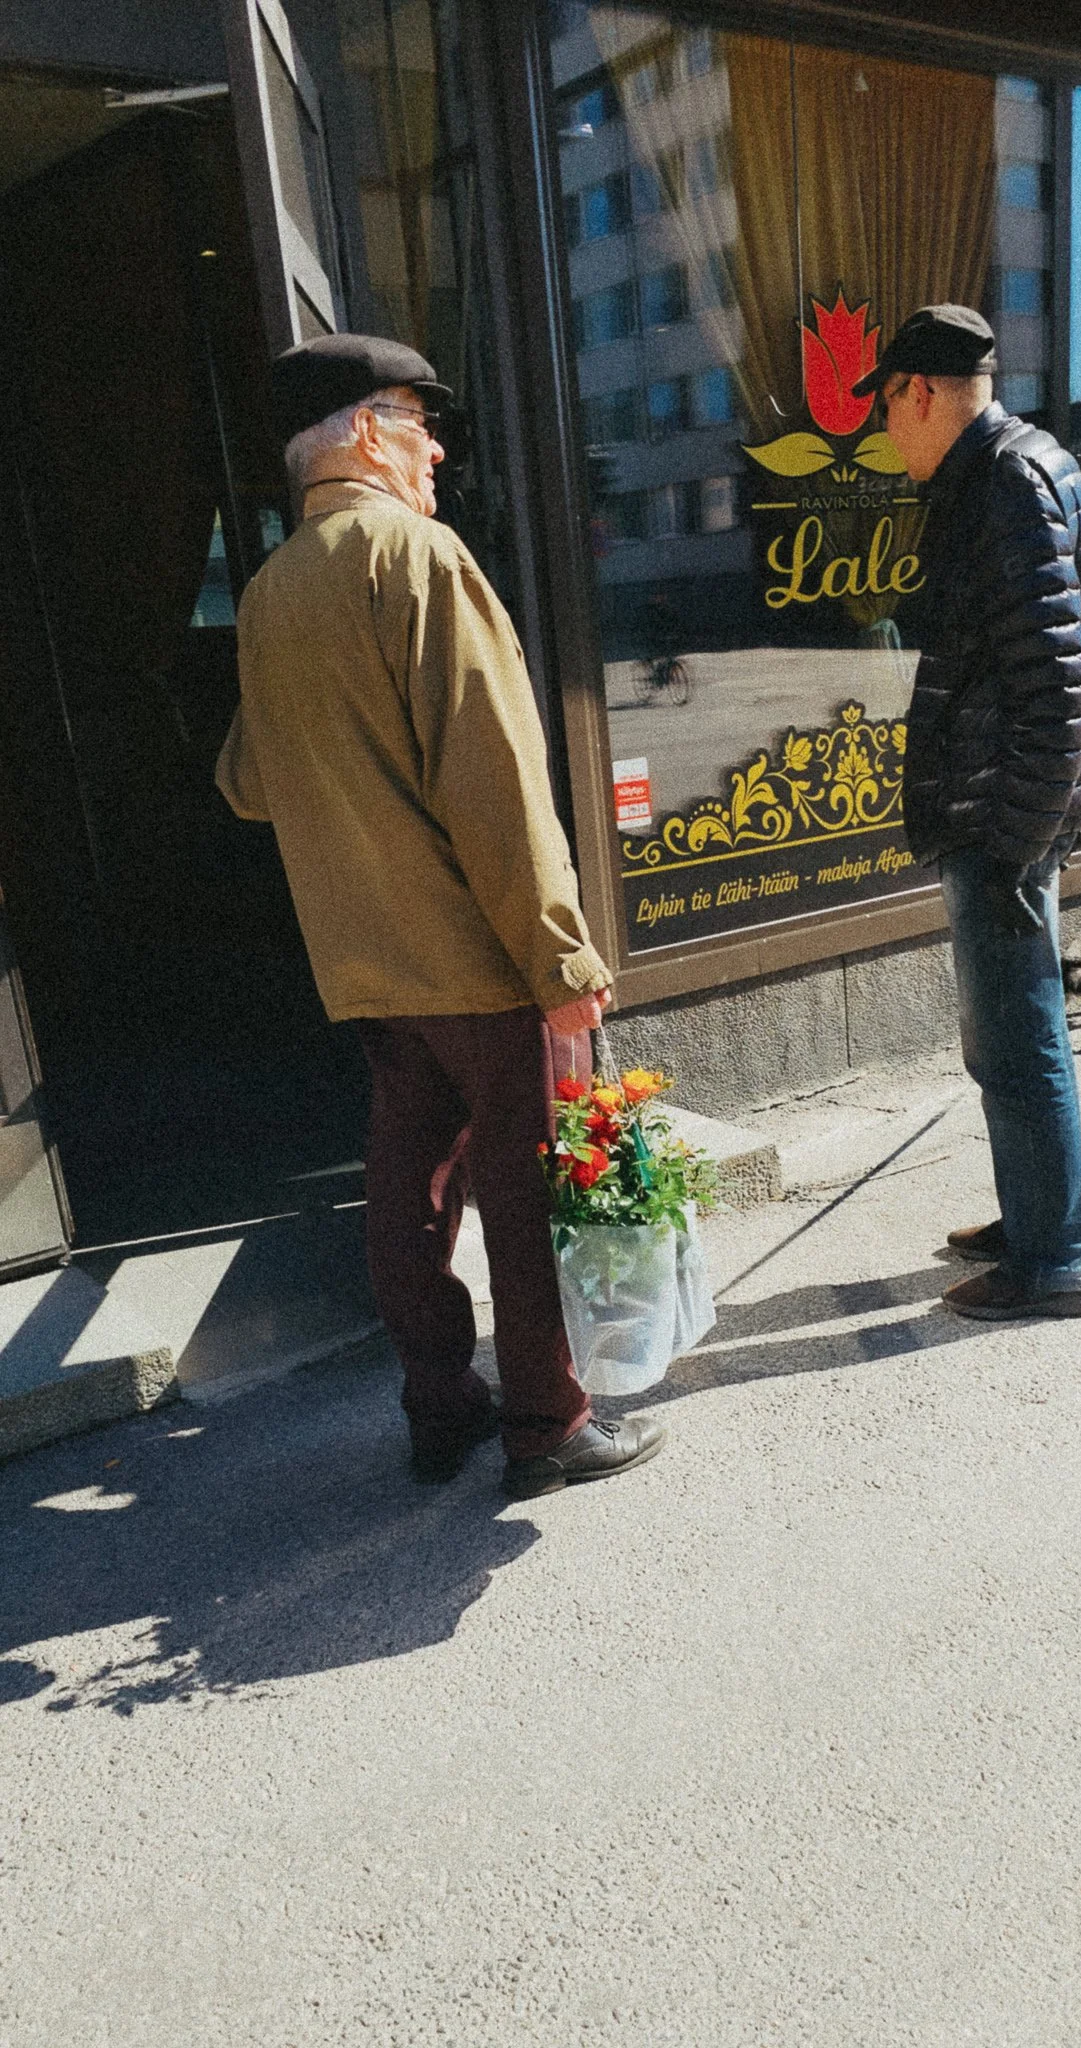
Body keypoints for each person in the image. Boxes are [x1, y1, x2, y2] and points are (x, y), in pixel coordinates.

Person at [215, 332, 664, 1494]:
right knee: (523, 1189)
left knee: (407, 1185)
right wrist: (561, 952)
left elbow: (246, 783)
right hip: (475, 953)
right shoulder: (417, 557)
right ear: (367, 432)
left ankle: (439, 1401)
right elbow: (498, 783)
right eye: (419, 422)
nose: (438, 446)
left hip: (364, 963)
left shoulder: (266, 593)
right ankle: (548, 1424)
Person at [851, 306, 1081, 1318]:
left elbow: (1055, 689)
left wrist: (1010, 848)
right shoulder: (1026, 463)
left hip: (1006, 815)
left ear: (919, 391)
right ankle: (1038, 1211)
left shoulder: (1003, 484)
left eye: (884, 409)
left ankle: (1055, 1259)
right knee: (1010, 1030)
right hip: (1017, 807)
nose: (884, 434)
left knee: (1017, 1035)